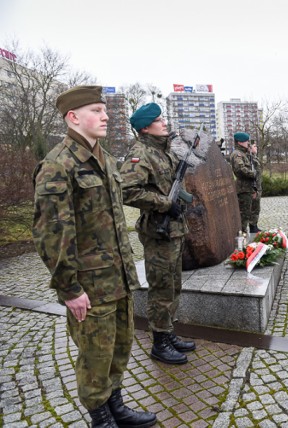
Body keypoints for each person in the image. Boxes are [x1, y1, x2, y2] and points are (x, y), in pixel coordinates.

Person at [32, 86, 156, 427]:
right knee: (94, 357)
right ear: (73, 117)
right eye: (96, 111)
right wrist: (69, 289)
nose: (105, 116)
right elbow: (51, 234)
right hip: (90, 285)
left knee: (120, 349)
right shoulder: (58, 164)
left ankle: (116, 405)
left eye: (105, 110)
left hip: (119, 279)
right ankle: (101, 418)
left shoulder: (105, 159)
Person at [119, 103, 195, 365]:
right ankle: (159, 343)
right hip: (158, 232)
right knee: (161, 288)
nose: (164, 122)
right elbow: (126, 191)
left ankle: (168, 331)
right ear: (144, 127)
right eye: (158, 120)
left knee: (173, 285)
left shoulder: (164, 151)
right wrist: (164, 203)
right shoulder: (140, 153)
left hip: (174, 230)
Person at [230, 132, 258, 233]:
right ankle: (241, 239)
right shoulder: (237, 154)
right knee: (243, 217)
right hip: (243, 190)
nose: (248, 143)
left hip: (247, 189)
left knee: (246, 215)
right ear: (240, 142)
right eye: (246, 141)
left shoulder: (244, 154)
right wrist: (252, 174)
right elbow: (240, 169)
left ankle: (243, 238)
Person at [249, 140, 262, 233]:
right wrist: (254, 188)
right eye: (254, 146)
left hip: (258, 186)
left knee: (257, 207)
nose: (256, 147)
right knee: (253, 207)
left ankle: (255, 225)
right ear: (249, 147)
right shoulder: (250, 159)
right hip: (254, 187)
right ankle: (252, 226)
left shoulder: (254, 158)